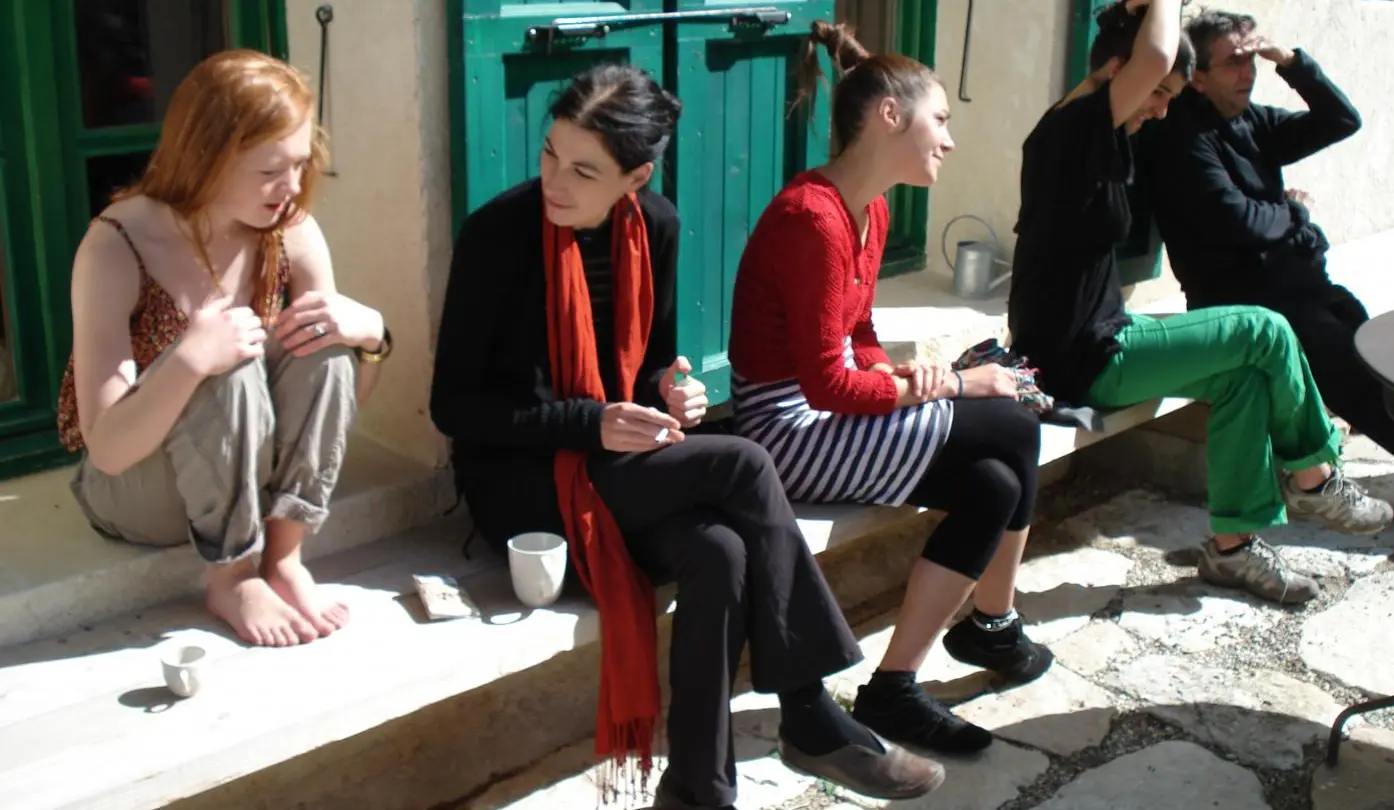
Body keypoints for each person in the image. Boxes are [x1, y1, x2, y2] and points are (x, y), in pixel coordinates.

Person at [429, 64, 943, 810]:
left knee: (721, 552)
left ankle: (698, 792)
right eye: (550, 153)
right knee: (745, 464)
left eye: (583, 170)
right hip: (526, 487)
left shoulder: (656, 227)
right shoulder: (497, 235)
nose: (554, 181)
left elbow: (648, 373)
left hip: (619, 466)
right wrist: (590, 421)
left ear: (635, 177)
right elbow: (453, 407)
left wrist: (672, 393)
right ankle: (809, 713)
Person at [728, 21, 1051, 759]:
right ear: (889, 115)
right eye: (941, 119)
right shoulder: (810, 218)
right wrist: (955, 385)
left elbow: (860, 332)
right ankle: (994, 626)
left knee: (995, 483)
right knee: (1015, 423)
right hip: (786, 433)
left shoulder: (869, 211)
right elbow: (823, 384)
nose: (950, 140)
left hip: (832, 411)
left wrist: (898, 375)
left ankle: (895, 688)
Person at [1006, 0, 1393, 608]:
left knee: (1245, 375)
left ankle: (1233, 549)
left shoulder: (1097, 134)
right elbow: (1154, 52)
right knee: (1264, 331)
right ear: (1118, 73)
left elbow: (1335, 118)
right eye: (1158, 92)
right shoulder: (1075, 128)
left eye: (1171, 95)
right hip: (1080, 357)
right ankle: (1316, 476)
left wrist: (1129, 11)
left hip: (1099, 336)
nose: (1162, 108)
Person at [59, 50, 392, 648]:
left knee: (322, 345)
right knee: (227, 360)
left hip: (247, 479)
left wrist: (371, 337)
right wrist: (189, 360)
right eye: (270, 170)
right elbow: (107, 449)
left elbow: (336, 401)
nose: (292, 187)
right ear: (206, 156)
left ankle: (283, 558)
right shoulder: (115, 245)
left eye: (300, 164)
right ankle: (232, 577)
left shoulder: (290, 229)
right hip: (137, 490)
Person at [1144, 9, 1394, 503]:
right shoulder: (1183, 138)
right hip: (1249, 305)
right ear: (1197, 78)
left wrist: (1290, 61)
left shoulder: (1249, 120)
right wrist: (1296, 213)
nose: (1248, 72)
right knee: (1368, 390)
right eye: (1234, 62)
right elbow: (1242, 223)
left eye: (1253, 59)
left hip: (1299, 287)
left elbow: (1341, 120)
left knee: (1393, 371)